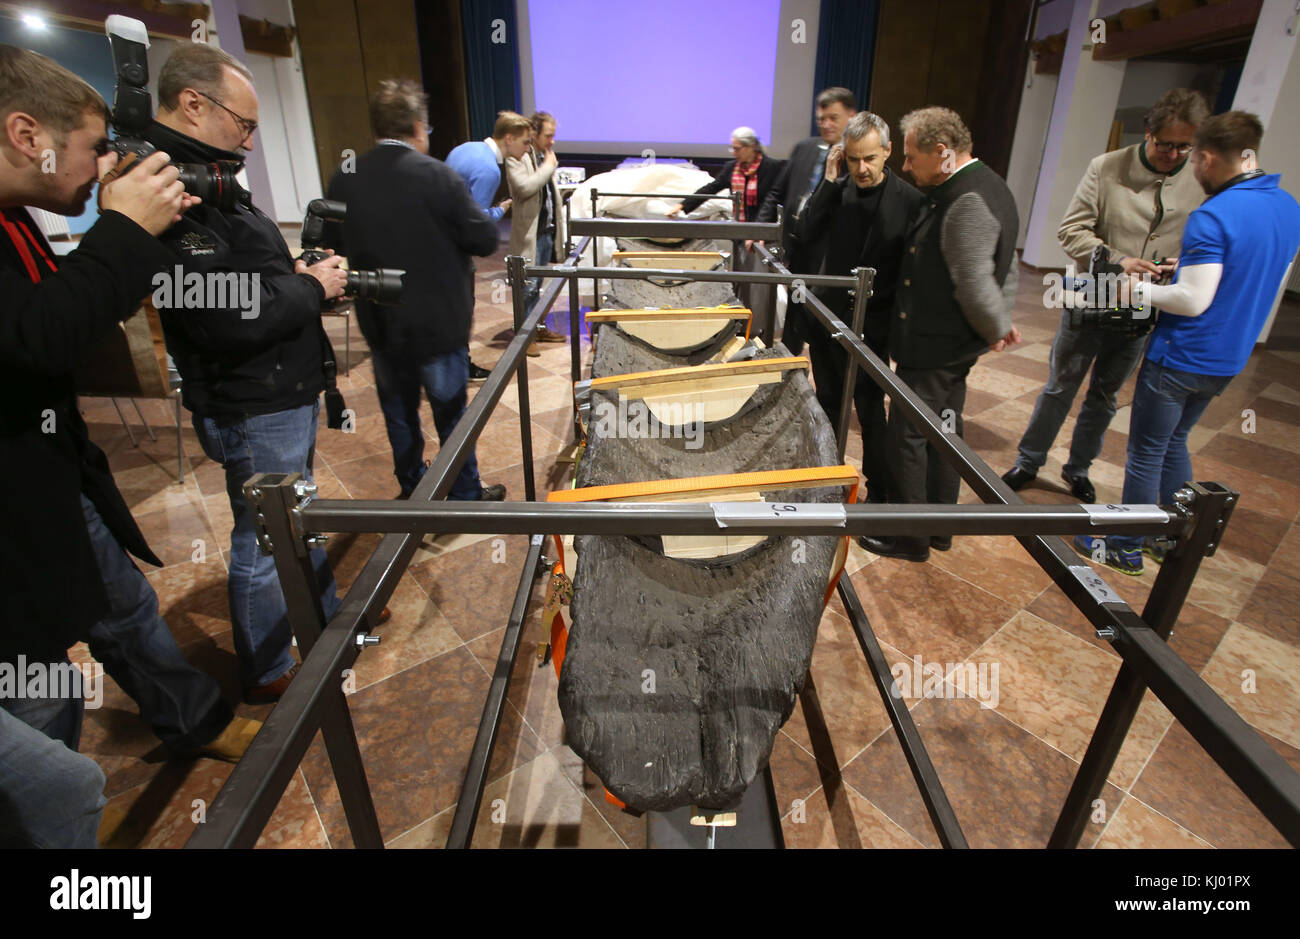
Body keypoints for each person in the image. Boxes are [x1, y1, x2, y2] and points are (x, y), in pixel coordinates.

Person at [0, 47, 255, 846]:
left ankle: (190, 717)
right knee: (40, 699)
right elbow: (34, 339)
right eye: (91, 146)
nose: (99, 164)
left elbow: (57, 321)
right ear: (23, 133)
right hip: (12, 516)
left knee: (123, 608)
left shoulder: (17, 216)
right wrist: (120, 230)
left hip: (53, 475)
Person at [141, 43, 349, 704]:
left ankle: (331, 616)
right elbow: (229, 314)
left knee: (295, 511)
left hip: (274, 388)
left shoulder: (209, 177)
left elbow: (247, 286)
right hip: (252, 400)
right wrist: (310, 288)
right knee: (264, 538)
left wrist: (296, 280)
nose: (252, 141)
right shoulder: (170, 192)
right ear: (193, 104)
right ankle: (265, 672)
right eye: (246, 124)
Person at [1076, 111, 1300, 575]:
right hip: (1229, 356)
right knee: (1175, 442)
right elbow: (1243, 272)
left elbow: (1193, 301)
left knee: (1144, 453)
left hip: (1182, 353)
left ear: (1208, 157)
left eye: (1195, 161)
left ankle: (1123, 545)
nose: (1192, 171)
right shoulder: (1287, 206)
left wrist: (1134, 290)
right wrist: (1191, 265)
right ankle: (1168, 535)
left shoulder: (1213, 215)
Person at [1003, 89, 1208, 503]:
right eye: (1165, 144)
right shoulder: (1107, 167)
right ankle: (1029, 460)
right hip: (1094, 290)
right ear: (1147, 133)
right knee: (1061, 384)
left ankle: (1079, 468)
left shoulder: (1200, 180)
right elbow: (1071, 231)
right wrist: (1119, 260)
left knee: (1105, 393)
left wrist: (1178, 263)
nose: (1173, 154)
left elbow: (1204, 243)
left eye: (1184, 146)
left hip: (1146, 299)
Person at [325, 80, 506, 504]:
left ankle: (412, 487)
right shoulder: (438, 175)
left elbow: (337, 244)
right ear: (419, 126)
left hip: (381, 321)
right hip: (438, 324)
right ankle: (463, 492)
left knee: (398, 414)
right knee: (451, 416)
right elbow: (482, 240)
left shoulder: (345, 176)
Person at [860, 107, 1021, 563]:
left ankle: (910, 538)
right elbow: (1001, 271)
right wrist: (998, 322)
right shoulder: (988, 184)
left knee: (909, 436)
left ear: (942, 152)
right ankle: (939, 527)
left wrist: (996, 326)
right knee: (945, 431)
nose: (906, 168)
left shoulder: (966, 198)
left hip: (936, 343)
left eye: (911, 157)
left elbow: (974, 279)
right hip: (949, 343)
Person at [795, 111, 923, 504]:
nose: (861, 168)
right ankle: (828, 482)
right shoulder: (836, 190)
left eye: (869, 158)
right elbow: (805, 232)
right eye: (853, 159)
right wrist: (831, 182)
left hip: (875, 323)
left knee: (870, 410)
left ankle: (879, 491)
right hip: (829, 319)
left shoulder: (911, 200)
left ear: (887, 151)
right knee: (829, 403)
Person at [760, 87, 858, 353]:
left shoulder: (858, 159)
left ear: (852, 116)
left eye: (833, 118)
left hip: (830, 256)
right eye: (821, 119)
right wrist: (758, 229)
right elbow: (778, 192)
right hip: (799, 249)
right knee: (794, 315)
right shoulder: (804, 148)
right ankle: (789, 370)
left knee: (823, 322)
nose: (826, 124)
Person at [447, 112, 530, 380]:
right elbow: (478, 221)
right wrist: (501, 210)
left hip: (439, 241)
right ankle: (460, 367)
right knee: (461, 309)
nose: (527, 149)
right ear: (509, 138)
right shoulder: (489, 169)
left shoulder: (466, 148)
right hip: (454, 249)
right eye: (525, 143)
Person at [505, 110, 568, 349]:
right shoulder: (517, 156)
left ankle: (538, 328)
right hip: (529, 234)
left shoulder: (544, 156)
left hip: (546, 232)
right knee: (526, 287)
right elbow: (523, 187)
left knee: (537, 284)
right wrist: (549, 167)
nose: (552, 141)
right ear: (534, 133)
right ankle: (523, 338)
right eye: (548, 135)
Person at [666, 127, 784, 222]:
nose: (734, 153)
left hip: (766, 230)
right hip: (741, 229)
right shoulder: (732, 168)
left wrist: (759, 229)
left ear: (751, 147)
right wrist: (682, 206)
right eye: (732, 148)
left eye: (737, 149)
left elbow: (773, 201)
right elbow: (710, 188)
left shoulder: (772, 167)